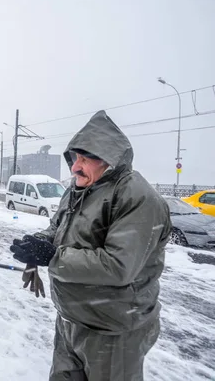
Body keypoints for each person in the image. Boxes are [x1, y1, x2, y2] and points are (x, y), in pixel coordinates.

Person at [9, 110, 171, 381]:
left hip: (112, 330)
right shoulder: (77, 189)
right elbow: (56, 230)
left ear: (107, 159)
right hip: (71, 320)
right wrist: (37, 244)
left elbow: (119, 266)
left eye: (83, 159)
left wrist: (53, 257)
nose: (74, 167)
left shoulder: (135, 196)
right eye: (74, 159)